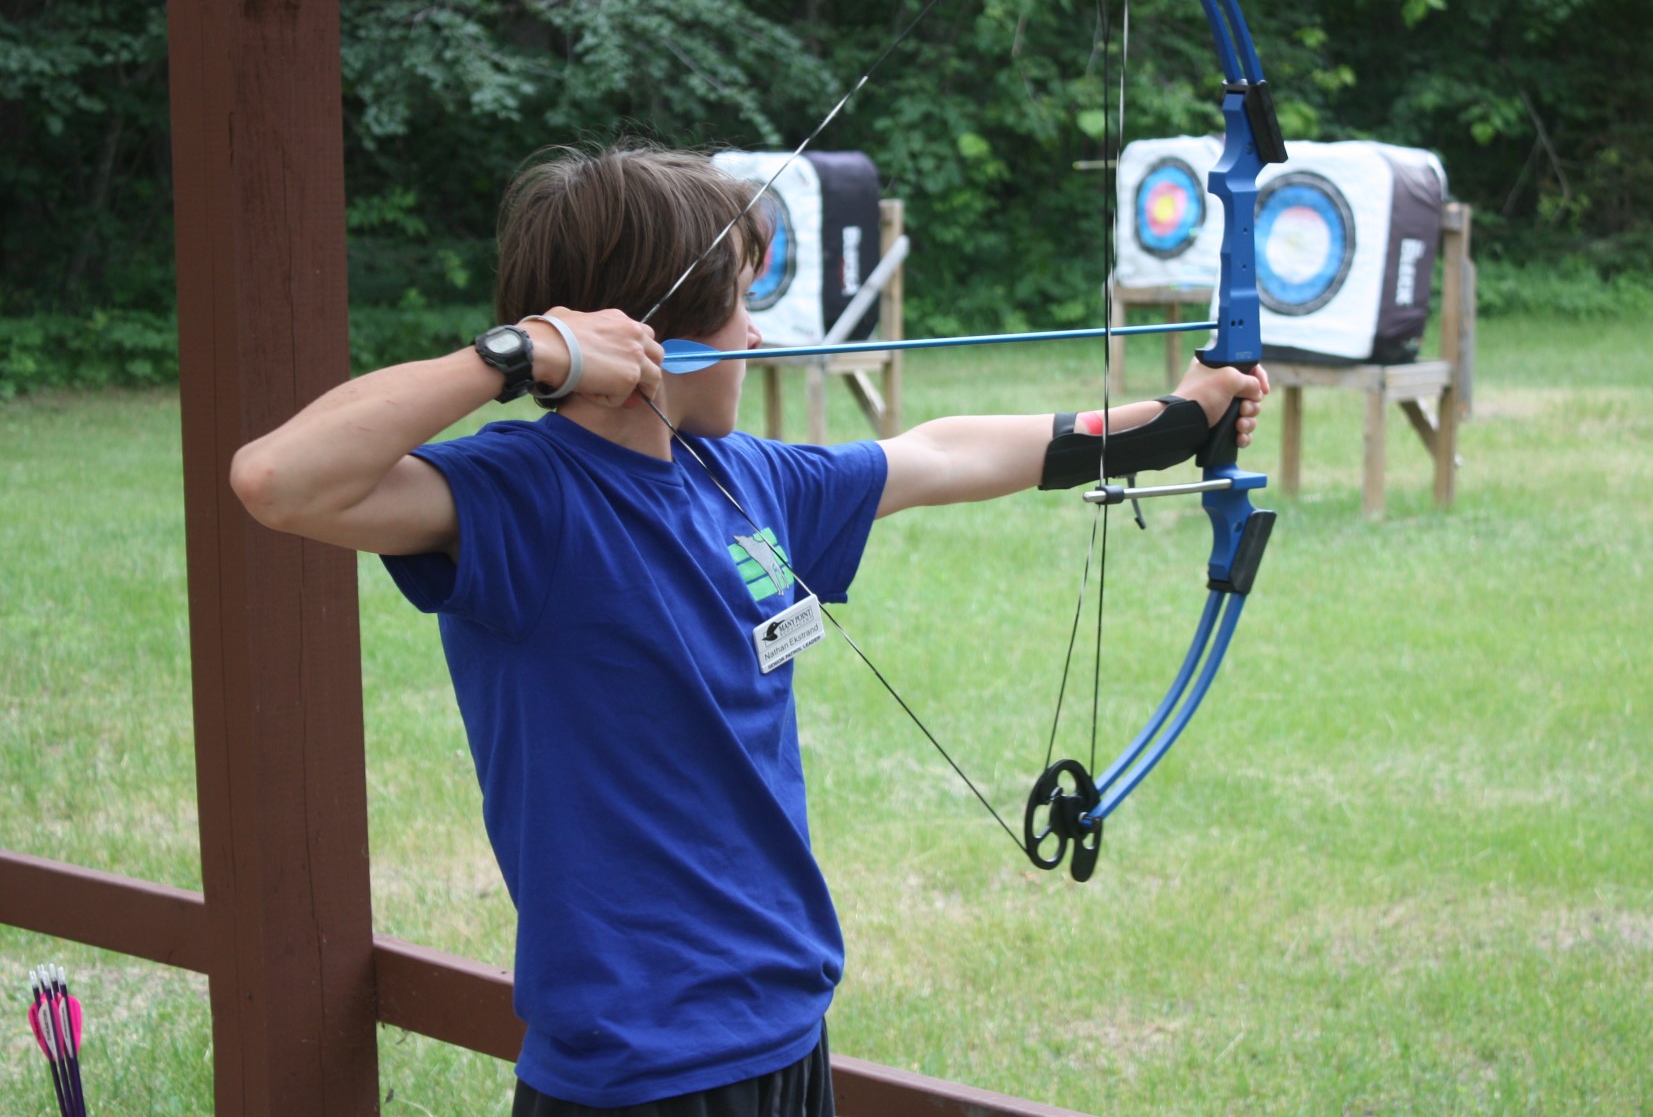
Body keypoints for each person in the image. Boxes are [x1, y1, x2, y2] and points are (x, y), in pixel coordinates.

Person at [230, 140, 1268, 1117]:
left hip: (783, 1027)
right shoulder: (520, 499)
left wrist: (1170, 424)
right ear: (652, 334)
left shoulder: (745, 479)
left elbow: (944, 452)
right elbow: (278, 479)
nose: (755, 335)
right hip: (638, 1065)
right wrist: (519, 353)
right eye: (740, 306)